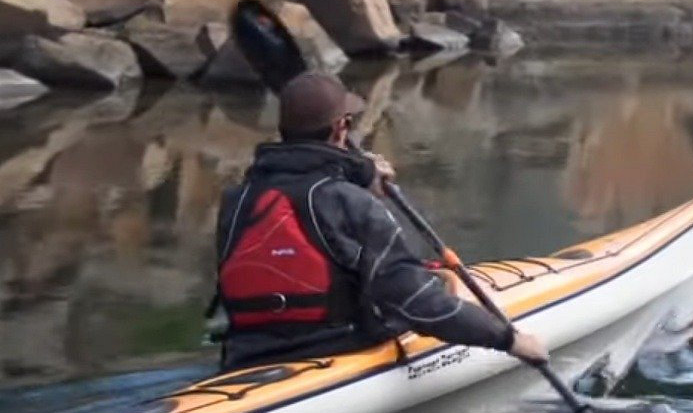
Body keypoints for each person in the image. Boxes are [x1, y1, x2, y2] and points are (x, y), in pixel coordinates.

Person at [212, 70, 550, 372]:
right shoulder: (349, 202)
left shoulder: (237, 199)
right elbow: (415, 302)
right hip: (339, 348)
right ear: (340, 127)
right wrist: (509, 340)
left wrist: (358, 175)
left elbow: (303, 194)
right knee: (437, 284)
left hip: (247, 353)